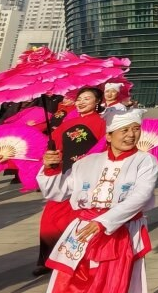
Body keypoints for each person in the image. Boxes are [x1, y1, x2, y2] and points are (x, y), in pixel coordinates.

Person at [32, 108, 157, 293]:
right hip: (79, 238)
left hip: (117, 236)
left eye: (135, 129)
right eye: (125, 130)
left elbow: (140, 196)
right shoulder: (86, 163)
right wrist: (51, 168)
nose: (131, 135)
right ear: (109, 135)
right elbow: (57, 193)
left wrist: (104, 221)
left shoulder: (145, 161)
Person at [35, 88, 106, 276]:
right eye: (79, 99)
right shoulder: (68, 124)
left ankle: (74, 258)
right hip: (65, 175)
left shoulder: (103, 124)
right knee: (50, 219)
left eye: (87, 99)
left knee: (76, 219)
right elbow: (54, 147)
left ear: (97, 102)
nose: (81, 102)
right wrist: (51, 156)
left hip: (88, 179)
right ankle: (48, 259)